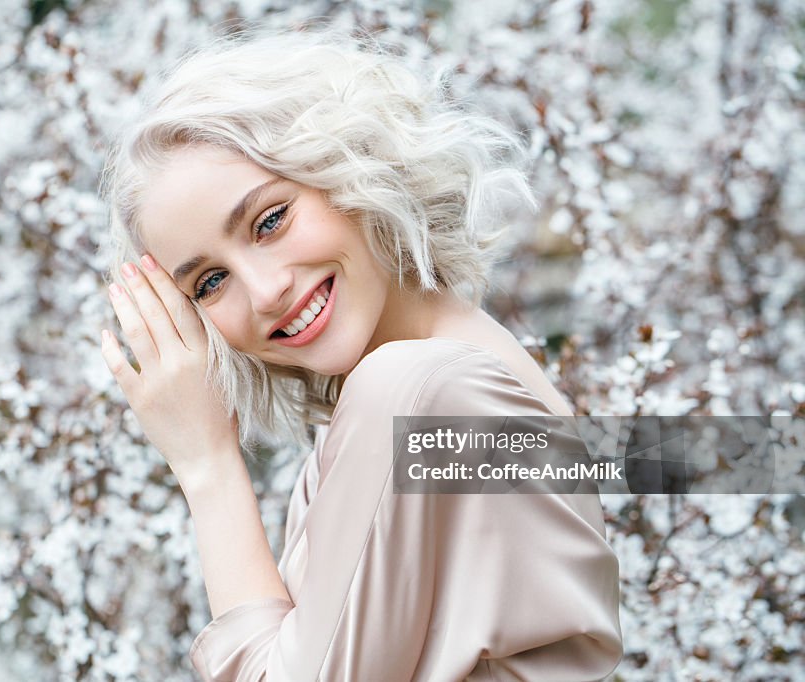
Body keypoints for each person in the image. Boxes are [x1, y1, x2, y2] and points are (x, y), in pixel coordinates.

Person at [98, 27, 623, 681]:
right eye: (209, 282)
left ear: (350, 166)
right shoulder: (446, 369)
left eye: (269, 221)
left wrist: (207, 466)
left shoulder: (414, 388)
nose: (264, 292)